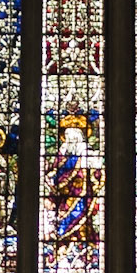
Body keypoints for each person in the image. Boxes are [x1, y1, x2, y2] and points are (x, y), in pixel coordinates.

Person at [47, 111, 99, 263]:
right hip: (65, 195)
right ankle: (64, 244)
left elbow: (96, 173)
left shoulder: (85, 152)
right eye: (67, 136)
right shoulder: (62, 154)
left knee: (81, 216)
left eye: (72, 136)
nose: (69, 139)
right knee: (64, 218)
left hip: (82, 192)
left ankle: (83, 245)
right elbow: (55, 172)